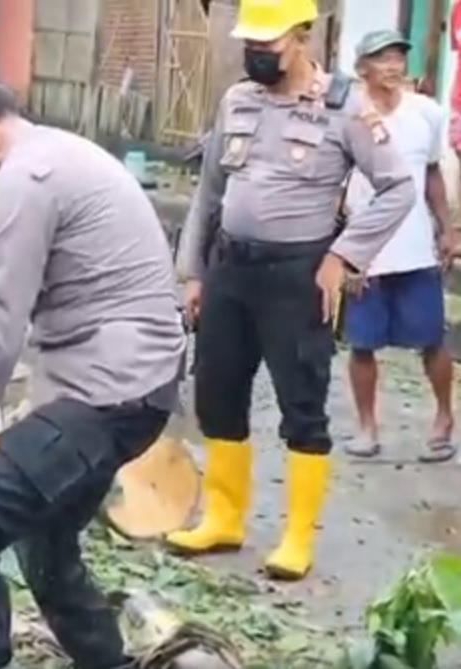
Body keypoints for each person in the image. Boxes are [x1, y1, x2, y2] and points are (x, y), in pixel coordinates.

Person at [0, 60, 186, 669]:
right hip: (132, 383)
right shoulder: (59, 151)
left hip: (112, 393)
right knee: (41, 535)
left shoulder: (26, 179)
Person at [168, 0, 416, 581]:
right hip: (230, 268)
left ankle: (297, 537)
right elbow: (208, 193)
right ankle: (224, 519)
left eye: (268, 45)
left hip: (297, 276)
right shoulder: (237, 99)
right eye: (250, 44)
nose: (255, 54)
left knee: (301, 404)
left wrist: (342, 256)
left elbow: (398, 188)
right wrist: (194, 273)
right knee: (217, 394)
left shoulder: (345, 107)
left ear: (303, 37)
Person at [342, 30, 457, 462]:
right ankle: (367, 427)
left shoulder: (425, 113)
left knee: (431, 339)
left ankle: (444, 417)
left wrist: (446, 228)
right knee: (362, 343)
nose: (392, 66)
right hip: (364, 251)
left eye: (397, 57)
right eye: (381, 58)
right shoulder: (348, 115)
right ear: (362, 70)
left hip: (413, 247)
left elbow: (431, 174)